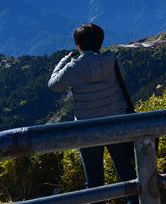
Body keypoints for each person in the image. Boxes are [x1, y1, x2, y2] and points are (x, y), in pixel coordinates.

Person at [48, 23, 138, 204]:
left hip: (86, 128)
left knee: (94, 179)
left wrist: (64, 61)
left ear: (78, 45)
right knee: (126, 172)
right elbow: (123, 77)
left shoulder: (72, 67)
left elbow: (54, 85)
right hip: (115, 123)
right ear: (100, 42)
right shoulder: (112, 60)